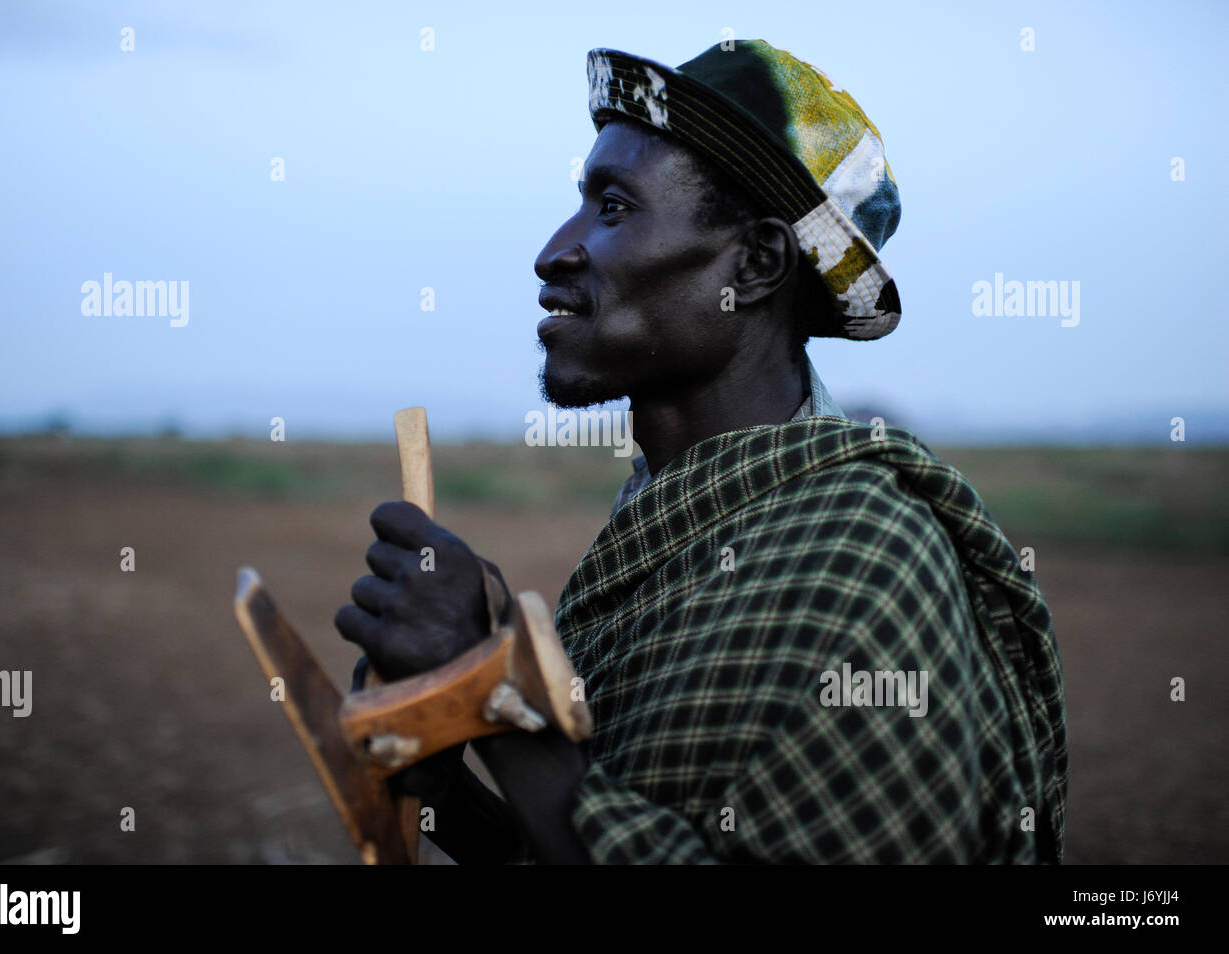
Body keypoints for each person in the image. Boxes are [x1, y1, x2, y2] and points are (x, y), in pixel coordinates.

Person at [334, 39, 1068, 864]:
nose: (553, 253)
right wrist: (451, 795)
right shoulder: (676, 515)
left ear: (753, 264)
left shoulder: (861, 555)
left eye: (613, 209)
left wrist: (489, 680)